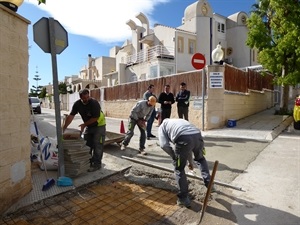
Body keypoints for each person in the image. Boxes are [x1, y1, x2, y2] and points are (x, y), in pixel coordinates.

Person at [158, 118, 212, 208]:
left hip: (183, 138)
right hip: (198, 136)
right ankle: (209, 184)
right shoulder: (178, 121)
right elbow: (188, 147)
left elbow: (164, 145)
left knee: (179, 168)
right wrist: (190, 162)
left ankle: (183, 198)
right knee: (200, 159)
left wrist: (174, 157)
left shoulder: (163, 126)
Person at [62, 89, 106, 172]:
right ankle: (88, 162)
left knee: (98, 145)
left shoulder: (94, 103)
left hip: (99, 125)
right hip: (89, 125)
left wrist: (84, 125)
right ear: (80, 97)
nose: (86, 99)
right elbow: (71, 116)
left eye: (87, 97)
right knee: (87, 144)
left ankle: (97, 164)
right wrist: (64, 127)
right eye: (84, 98)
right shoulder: (77, 104)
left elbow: (95, 117)